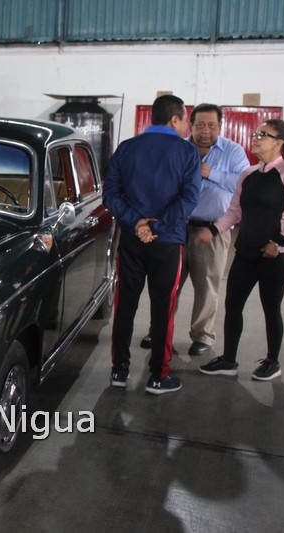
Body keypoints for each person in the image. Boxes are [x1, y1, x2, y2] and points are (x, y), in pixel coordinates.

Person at [197, 119, 284, 381]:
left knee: (271, 308)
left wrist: (279, 242)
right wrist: (213, 230)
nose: (256, 138)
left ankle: (272, 362)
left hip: (277, 255)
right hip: (246, 251)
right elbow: (235, 211)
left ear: (279, 143)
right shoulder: (248, 174)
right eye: (256, 133)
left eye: (263, 134)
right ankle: (228, 360)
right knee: (232, 305)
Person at [103, 94, 201, 395]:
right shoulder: (187, 153)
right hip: (167, 243)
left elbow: (111, 196)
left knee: (125, 307)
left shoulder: (126, 148)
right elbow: (189, 198)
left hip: (132, 241)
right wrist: (157, 225)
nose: (187, 126)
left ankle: (119, 371)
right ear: (174, 119)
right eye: (186, 120)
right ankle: (159, 376)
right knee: (163, 309)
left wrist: (138, 223)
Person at [141, 104, 249, 357]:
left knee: (207, 286)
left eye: (212, 125)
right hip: (175, 228)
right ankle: (158, 330)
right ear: (190, 125)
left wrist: (211, 173)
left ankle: (202, 337)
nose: (205, 131)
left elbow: (245, 182)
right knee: (166, 284)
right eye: (200, 125)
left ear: (220, 126)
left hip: (212, 230)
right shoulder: (178, 148)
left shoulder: (232, 152)